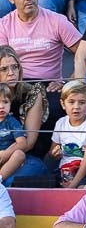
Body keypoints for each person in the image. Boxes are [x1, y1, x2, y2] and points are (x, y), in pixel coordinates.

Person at [0, 0, 82, 124]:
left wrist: (67, 81)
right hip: (16, 84)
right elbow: (3, 64)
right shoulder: (4, 25)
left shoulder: (57, 21)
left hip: (49, 85)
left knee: (56, 107)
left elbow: (85, 52)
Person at [0, 46, 48, 182]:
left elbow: (29, 142)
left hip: (23, 156)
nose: (11, 73)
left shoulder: (32, 92)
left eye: (15, 67)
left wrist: (4, 156)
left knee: (11, 180)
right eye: (4, 69)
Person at [48, 79, 86, 187]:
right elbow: (52, 153)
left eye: (82, 102)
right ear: (63, 104)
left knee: (83, 188)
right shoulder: (61, 123)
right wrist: (55, 153)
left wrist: (72, 186)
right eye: (71, 102)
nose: (76, 107)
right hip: (64, 170)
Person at [0, 83, 27, 184]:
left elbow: (22, 143)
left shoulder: (12, 121)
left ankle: (0, 178)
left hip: (8, 158)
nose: (1, 106)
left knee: (19, 154)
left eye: (5, 102)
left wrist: (6, 154)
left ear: (10, 103)